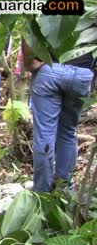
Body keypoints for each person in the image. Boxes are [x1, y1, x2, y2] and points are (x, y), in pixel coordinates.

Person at [22, 40, 94, 192]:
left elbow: (29, 28)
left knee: (44, 134)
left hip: (50, 68)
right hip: (82, 74)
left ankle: (42, 191)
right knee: (68, 131)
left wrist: (29, 62)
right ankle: (63, 188)